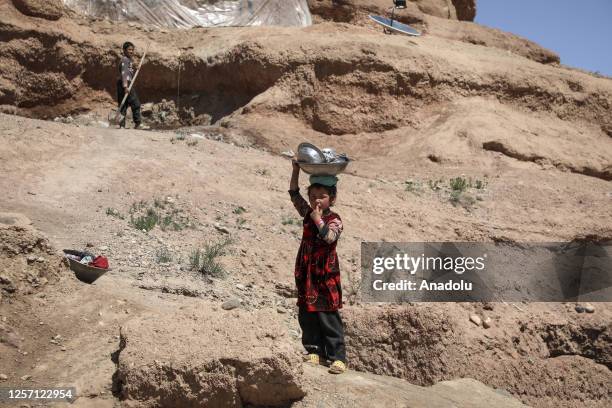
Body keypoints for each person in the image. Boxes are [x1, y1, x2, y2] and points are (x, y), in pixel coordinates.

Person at [289, 160, 347, 374]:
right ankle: (314, 351)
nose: (316, 201)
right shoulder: (307, 212)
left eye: (321, 196)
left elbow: (330, 238)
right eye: (313, 196)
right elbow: (294, 194)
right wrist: (295, 170)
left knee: (328, 314)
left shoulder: (334, 219)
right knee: (307, 312)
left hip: (325, 273)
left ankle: (337, 358)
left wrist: (318, 220)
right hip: (307, 272)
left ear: (332, 198)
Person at [117, 41, 144, 129]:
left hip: (123, 83)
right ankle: (138, 123)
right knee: (135, 103)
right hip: (125, 83)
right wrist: (125, 86)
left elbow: (129, 69)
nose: (131, 51)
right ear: (124, 50)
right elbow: (124, 73)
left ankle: (121, 125)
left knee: (123, 104)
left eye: (132, 50)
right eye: (129, 49)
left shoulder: (128, 60)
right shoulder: (125, 60)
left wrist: (136, 66)